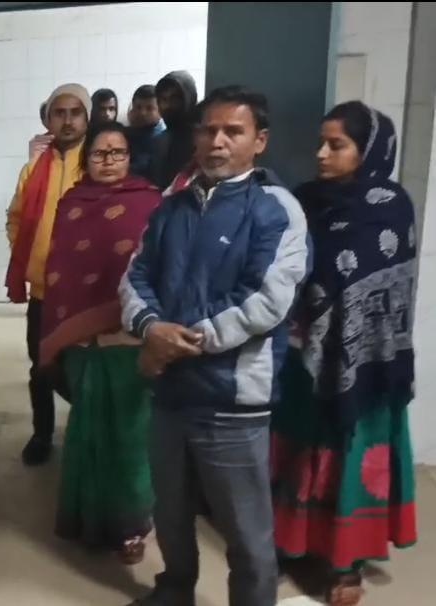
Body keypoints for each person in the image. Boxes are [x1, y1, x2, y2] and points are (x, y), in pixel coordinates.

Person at [120, 85, 310, 606]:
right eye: (208, 130)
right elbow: (136, 275)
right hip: (170, 395)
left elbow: (265, 300)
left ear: (259, 140)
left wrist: (175, 342)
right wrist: (150, 328)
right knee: (170, 510)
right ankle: (175, 589)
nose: (216, 142)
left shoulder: (276, 210)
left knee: (245, 531)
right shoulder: (171, 206)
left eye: (233, 131)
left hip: (232, 399)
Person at [270, 102, 417, 606]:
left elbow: (386, 288)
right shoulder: (304, 201)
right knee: (295, 446)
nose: (321, 154)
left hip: (366, 366)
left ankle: (345, 561)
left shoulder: (389, 206)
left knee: (347, 453)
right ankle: (288, 543)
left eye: (337, 145)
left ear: (368, 150)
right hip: (300, 354)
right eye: (320, 143)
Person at [40, 122, 161, 564]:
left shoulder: (151, 201)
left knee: (131, 435)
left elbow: (159, 269)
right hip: (84, 341)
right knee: (87, 431)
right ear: (86, 159)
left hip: (132, 337)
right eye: (99, 153)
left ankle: (132, 527)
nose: (108, 161)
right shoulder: (72, 203)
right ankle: (86, 520)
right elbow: (61, 271)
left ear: (130, 156)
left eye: (118, 152)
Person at [5, 83, 91, 466]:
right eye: (60, 113)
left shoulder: (96, 164)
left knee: (82, 366)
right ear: (48, 119)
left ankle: (89, 427)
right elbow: (15, 217)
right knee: (41, 365)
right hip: (42, 290)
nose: (67, 120)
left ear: (87, 118)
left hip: (84, 294)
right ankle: (42, 435)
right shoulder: (34, 169)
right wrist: (29, 256)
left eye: (75, 112)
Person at [149, 71, 199, 189]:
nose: (167, 106)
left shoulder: (203, 137)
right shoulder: (160, 141)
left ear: (189, 98)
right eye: (163, 99)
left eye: (175, 99)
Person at [127, 84, 167, 179]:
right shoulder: (127, 134)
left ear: (161, 111)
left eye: (149, 108)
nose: (142, 113)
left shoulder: (164, 140)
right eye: (138, 107)